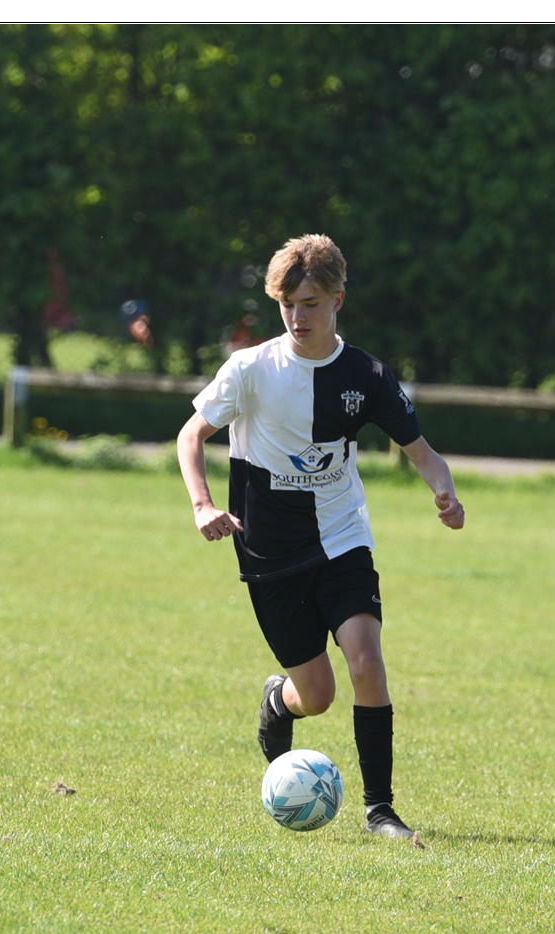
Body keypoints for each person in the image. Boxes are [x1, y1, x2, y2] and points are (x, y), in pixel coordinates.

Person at [176, 234, 465, 839]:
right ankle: (280, 700)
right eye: (287, 304)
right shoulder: (253, 368)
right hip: (268, 549)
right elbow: (191, 435)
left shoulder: (366, 375)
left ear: (338, 300)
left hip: (341, 536)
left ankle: (379, 809)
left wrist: (445, 491)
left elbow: (424, 453)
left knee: (367, 660)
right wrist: (202, 504)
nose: (297, 317)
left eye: (310, 302)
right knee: (320, 693)